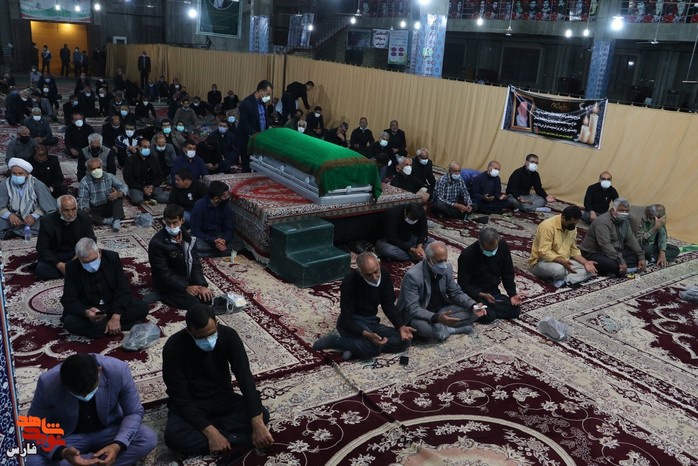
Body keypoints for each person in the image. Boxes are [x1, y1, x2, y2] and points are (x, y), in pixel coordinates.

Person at [162, 304, 274, 456]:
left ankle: (220, 440)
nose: (208, 341)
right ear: (189, 331)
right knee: (174, 437)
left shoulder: (229, 336)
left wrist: (257, 422)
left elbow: (245, 377)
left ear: (216, 322)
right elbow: (180, 396)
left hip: (221, 397)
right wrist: (211, 432)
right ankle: (232, 438)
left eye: (211, 334)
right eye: (201, 337)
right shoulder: (174, 347)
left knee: (261, 415)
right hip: (192, 402)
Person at [25, 353, 157, 466]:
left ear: (99, 370)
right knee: (30, 461)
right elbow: (32, 428)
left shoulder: (118, 370)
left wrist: (118, 445)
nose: (85, 397)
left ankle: (92, 461)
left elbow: (133, 412)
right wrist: (62, 452)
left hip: (109, 430)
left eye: (90, 390)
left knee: (147, 438)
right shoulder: (48, 383)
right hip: (69, 438)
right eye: (78, 394)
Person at [312, 252, 415, 360]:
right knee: (372, 349)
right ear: (360, 273)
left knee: (404, 341)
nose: (374, 277)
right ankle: (337, 341)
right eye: (368, 275)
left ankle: (355, 347)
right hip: (353, 322)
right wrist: (368, 335)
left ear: (379, 264)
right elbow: (346, 319)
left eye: (376, 272)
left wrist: (401, 326)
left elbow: (388, 305)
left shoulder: (384, 275)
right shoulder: (350, 282)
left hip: (372, 321)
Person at [397, 241, 487, 341]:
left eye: (445, 260)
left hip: (441, 309)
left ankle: (442, 329)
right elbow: (413, 308)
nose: (443, 264)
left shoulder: (447, 268)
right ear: (428, 259)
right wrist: (436, 318)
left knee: (474, 313)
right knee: (424, 329)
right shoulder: (413, 276)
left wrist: (473, 306)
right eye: (439, 261)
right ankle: (451, 330)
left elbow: (455, 293)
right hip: (421, 313)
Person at [61, 238, 149, 338]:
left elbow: (123, 288)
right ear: (79, 259)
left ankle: (102, 328)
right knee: (70, 322)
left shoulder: (112, 258)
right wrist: (86, 312)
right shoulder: (72, 267)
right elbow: (68, 299)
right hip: (91, 309)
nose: (90, 265)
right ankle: (123, 326)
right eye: (85, 262)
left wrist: (116, 316)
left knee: (142, 307)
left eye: (93, 260)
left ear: (99, 252)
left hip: (112, 304)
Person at [149, 204, 214, 309]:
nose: (171, 227)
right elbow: (163, 273)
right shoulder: (157, 243)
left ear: (182, 221)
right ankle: (163, 295)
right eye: (168, 223)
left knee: (207, 298)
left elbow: (195, 264)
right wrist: (185, 287)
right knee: (195, 304)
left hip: (185, 278)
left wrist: (201, 285)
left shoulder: (189, 238)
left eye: (175, 223)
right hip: (169, 283)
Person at [457, 227, 522, 322]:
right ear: (480, 243)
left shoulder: (502, 246)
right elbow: (463, 285)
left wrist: (512, 294)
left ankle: (487, 310)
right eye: (488, 250)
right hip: (476, 294)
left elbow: (507, 272)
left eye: (494, 249)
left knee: (515, 310)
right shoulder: (467, 255)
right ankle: (474, 308)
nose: (492, 253)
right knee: (488, 316)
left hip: (493, 293)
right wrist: (481, 294)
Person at [529, 205, 599, 287]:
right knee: (559, 269)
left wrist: (585, 262)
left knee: (589, 269)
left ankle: (564, 281)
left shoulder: (572, 227)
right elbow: (544, 252)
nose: (574, 226)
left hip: (565, 261)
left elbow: (573, 249)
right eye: (572, 223)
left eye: (575, 223)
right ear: (563, 217)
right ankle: (565, 276)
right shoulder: (547, 226)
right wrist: (563, 262)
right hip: (542, 262)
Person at [579, 198, 646, 276]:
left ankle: (621, 269)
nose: (624, 213)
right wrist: (620, 261)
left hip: (613, 249)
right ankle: (618, 269)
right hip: (594, 252)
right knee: (614, 265)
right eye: (621, 210)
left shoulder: (625, 221)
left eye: (626, 211)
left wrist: (641, 256)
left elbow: (630, 239)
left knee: (639, 255)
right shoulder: (602, 222)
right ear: (612, 210)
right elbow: (605, 244)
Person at [36, 195, 95, 280]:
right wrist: (59, 265)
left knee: (99, 260)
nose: (71, 214)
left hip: (77, 254)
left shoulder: (83, 217)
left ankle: (70, 272)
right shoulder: (47, 221)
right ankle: (74, 271)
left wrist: (78, 257)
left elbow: (91, 239)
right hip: (56, 255)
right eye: (66, 210)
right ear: (59, 210)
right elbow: (42, 248)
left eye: (73, 209)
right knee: (41, 270)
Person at [0, 158, 56, 239]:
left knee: (47, 222)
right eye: (14, 173)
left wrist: (34, 216)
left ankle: (15, 232)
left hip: (33, 217)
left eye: (20, 173)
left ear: (27, 174)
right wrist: (9, 215)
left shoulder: (37, 184)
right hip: (13, 217)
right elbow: (1, 206)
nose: (17, 176)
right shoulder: (5, 184)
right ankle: (18, 232)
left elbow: (47, 205)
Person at [190, 181, 241, 257]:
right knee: (194, 245)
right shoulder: (199, 206)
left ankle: (209, 253)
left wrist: (224, 240)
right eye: (225, 197)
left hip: (220, 236)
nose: (228, 198)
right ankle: (217, 252)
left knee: (239, 244)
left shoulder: (226, 207)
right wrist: (213, 241)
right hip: (205, 238)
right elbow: (196, 231)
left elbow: (229, 228)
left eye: (228, 195)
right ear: (216, 198)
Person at [78, 158, 128, 232]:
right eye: (93, 169)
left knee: (119, 198)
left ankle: (116, 220)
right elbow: (83, 200)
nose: (96, 170)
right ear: (88, 170)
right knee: (81, 214)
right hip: (95, 209)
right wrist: (86, 210)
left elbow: (124, 187)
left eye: (98, 167)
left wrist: (118, 193)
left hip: (108, 205)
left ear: (102, 167)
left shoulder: (109, 176)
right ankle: (106, 221)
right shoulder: (84, 182)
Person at [237, 80, 273, 172]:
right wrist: (256, 135)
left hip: (260, 139)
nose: (269, 97)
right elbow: (244, 124)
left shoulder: (262, 102)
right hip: (249, 140)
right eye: (268, 94)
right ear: (261, 91)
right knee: (247, 165)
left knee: (258, 165)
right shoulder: (246, 103)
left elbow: (263, 118)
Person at [123, 139, 168, 206]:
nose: (147, 149)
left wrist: (152, 186)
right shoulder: (131, 160)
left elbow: (159, 175)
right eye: (145, 147)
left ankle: (149, 194)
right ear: (139, 147)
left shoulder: (153, 158)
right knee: (137, 200)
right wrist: (143, 188)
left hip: (151, 185)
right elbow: (128, 178)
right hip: (137, 186)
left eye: (149, 147)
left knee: (163, 199)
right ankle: (138, 194)